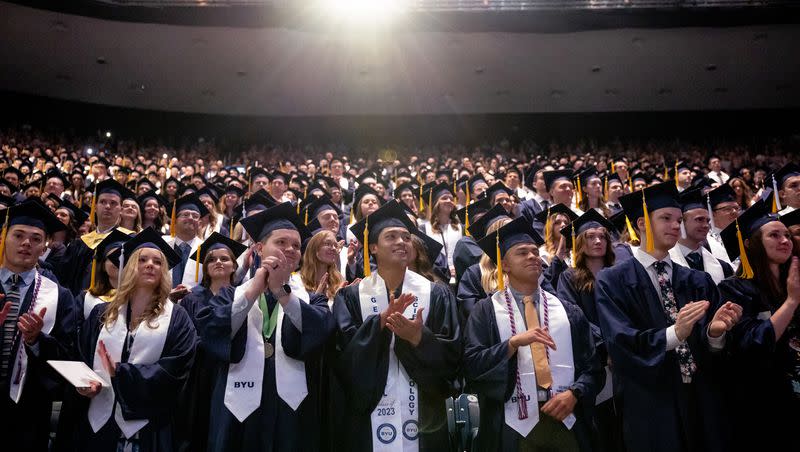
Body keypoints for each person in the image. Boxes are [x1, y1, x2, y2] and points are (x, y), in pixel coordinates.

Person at [595, 182, 740, 452]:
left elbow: (713, 348)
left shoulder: (697, 279)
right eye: (666, 218)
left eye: (678, 220)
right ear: (641, 223)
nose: (676, 226)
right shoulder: (612, 280)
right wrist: (675, 333)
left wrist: (715, 334)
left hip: (701, 398)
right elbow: (620, 341)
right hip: (651, 401)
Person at [194, 202, 335, 452]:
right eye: (281, 242)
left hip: (292, 411)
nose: (290, 249)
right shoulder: (231, 294)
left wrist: (283, 294)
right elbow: (211, 330)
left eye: (296, 245)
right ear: (259, 247)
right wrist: (252, 293)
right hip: (237, 412)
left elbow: (321, 330)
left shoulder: (312, 298)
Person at [464, 217, 603, 452]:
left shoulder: (567, 310)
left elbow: (594, 368)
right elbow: (471, 365)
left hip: (565, 418)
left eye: (534, 251)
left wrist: (574, 393)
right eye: (521, 253)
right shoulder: (485, 311)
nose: (532, 257)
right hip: (510, 424)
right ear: (504, 265)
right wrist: (512, 344)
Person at [333, 199, 461, 451]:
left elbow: (454, 357)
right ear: (373, 248)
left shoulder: (437, 294)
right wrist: (379, 324)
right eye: (391, 237)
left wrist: (419, 339)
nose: (402, 242)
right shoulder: (350, 296)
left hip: (425, 412)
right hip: (368, 414)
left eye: (405, 236)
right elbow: (342, 358)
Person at [73, 227, 196, 451]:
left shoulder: (177, 318)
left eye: (157, 262)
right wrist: (84, 384)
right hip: (100, 421)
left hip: (149, 429)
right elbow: (82, 355)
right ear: (129, 267)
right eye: (142, 259)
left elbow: (176, 370)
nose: (150, 264)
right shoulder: (102, 313)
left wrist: (120, 373)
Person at [715, 199, 800, 450]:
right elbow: (752, 345)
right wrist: (792, 302)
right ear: (750, 244)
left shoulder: (792, 283)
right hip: (764, 405)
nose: (785, 240)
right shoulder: (734, 288)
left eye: (787, 234)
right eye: (774, 235)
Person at [0, 200, 77, 452]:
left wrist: (36, 342)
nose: (26, 243)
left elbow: (67, 356)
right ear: (4, 237)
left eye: (35, 238)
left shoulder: (59, 295)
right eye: (18, 235)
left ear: (44, 245)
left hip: (27, 411)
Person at [556, 209, 622, 452]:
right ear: (580, 243)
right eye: (591, 237)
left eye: (602, 236)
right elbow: (575, 316)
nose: (597, 241)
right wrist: (606, 344)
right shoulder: (569, 278)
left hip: (624, 354)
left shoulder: (621, 274)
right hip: (594, 357)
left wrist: (620, 343)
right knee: (602, 425)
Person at [175, 232, 247, 452]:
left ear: (235, 266)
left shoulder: (244, 296)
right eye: (212, 259)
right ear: (204, 267)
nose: (218, 262)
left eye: (224, 259)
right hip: (198, 373)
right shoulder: (191, 298)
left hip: (233, 370)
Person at [59, 179, 135, 295]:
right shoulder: (80, 243)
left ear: (121, 209)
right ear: (95, 206)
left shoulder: (128, 240)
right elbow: (65, 280)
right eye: (103, 202)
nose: (108, 206)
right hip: (77, 306)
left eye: (113, 203)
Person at [668, 188, 733, 284]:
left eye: (707, 220)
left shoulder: (723, 267)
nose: (706, 226)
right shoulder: (666, 263)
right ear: (681, 222)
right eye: (699, 220)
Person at [162, 193, 208, 291]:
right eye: (185, 214)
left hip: (194, 303)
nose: (191, 218)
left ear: (199, 223)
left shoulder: (206, 248)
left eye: (195, 216)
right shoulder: (162, 244)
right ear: (175, 220)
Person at [420, 182, 463, 285]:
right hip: (434, 280)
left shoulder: (461, 227)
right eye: (444, 198)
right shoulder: (424, 229)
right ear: (435, 203)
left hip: (460, 279)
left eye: (451, 199)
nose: (449, 201)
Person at [300, 229, 347, 307]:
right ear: (314, 249)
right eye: (328, 244)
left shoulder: (338, 281)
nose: (334, 248)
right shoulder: (298, 280)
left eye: (336, 245)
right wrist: (317, 296)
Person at [705, 184, 740, 265]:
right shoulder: (707, 241)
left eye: (736, 208)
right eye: (727, 209)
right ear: (712, 214)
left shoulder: (743, 235)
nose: (734, 212)